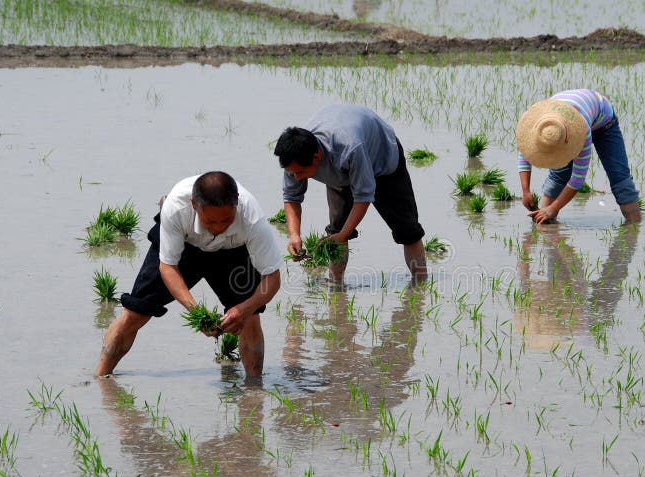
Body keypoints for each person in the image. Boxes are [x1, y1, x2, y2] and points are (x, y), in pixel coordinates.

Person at [94, 171, 283, 378]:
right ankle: (100, 379)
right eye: (210, 222)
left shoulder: (252, 217)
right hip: (184, 246)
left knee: (250, 320)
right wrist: (195, 311)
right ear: (194, 205)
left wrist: (244, 309)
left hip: (233, 251)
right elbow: (168, 267)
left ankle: (254, 389)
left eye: (227, 220)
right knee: (136, 311)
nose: (218, 228)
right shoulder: (176, 207)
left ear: (236, 203)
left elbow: (271, 278)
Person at [273, 104, 427, 281]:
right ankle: (336, 286)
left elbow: (363, 197)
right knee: (337, 230)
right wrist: (294, 235)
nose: (296, 177)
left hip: (382, 161)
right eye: (291, 173)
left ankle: (420, 283)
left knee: (407, 230)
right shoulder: (294, 157)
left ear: (316, 157)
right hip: (340, 170)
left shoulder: (350, 148)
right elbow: (291, 197)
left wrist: (344, 235)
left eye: (299, 172)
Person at [516, 89, 641, 224]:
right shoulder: (538, 127)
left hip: (604, 122)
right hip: (565, 118)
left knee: (619, 177)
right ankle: (544, 227)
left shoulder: (582, 132)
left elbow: (578, 179)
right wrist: (526, 191)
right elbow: (524, 156)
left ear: (567, 141)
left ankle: (634, 229)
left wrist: (554, 208)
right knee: (559, 175)